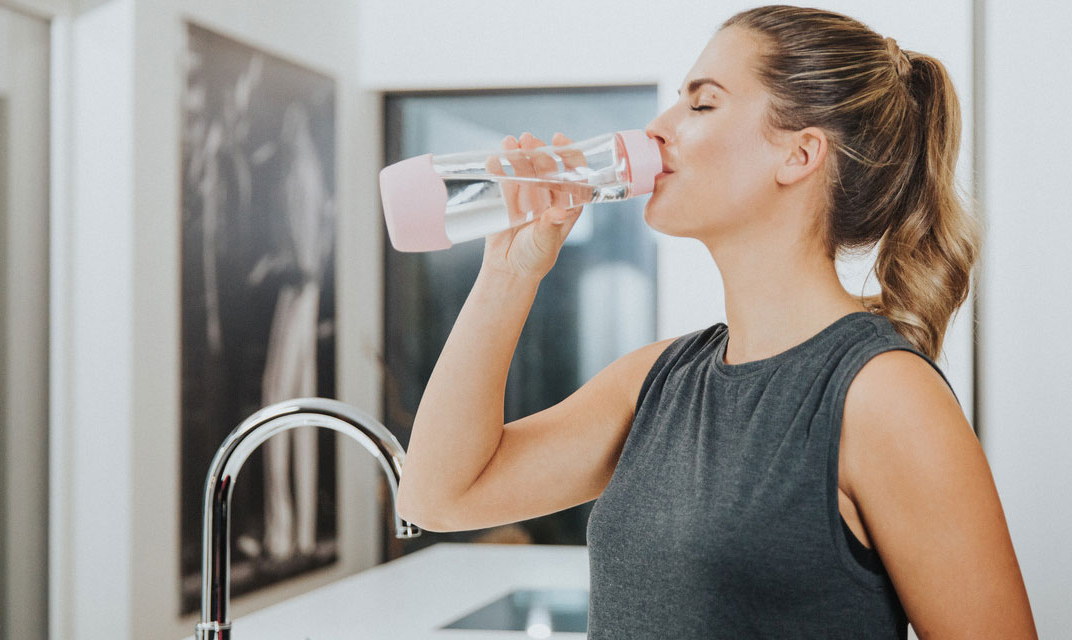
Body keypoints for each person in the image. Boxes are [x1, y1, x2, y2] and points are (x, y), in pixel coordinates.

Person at [397, 4, 1037, 638]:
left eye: (702, 104)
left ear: (799, 154)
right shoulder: (658, 381)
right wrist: (511, 273)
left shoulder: (883, 395)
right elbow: (439, 496)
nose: (659, 127)